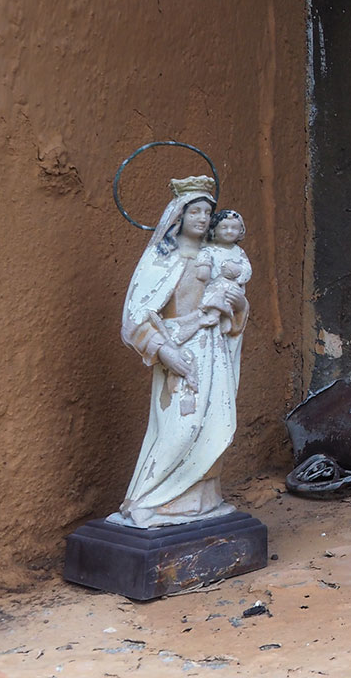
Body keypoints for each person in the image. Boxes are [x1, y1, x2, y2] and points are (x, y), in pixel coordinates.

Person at [110, 175, 249, 528]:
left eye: (207, 212)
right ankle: (150, 501)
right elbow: (135, 318)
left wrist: (239, 305)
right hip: (179, 349)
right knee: (181, 428)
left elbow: (233, 315)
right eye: (195, 211)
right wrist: (163, 351)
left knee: (216, 425)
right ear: (179, 215)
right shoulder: (161, 258)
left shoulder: (215, 255)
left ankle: (202, 502)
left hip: (214, 350)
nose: (202, 218)